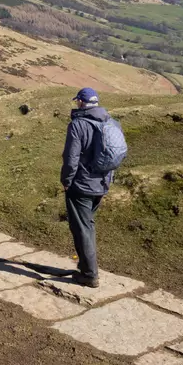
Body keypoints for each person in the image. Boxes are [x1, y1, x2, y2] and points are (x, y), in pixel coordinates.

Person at [61, 88, 125, 288]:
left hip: (81, 185)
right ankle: (86, 266)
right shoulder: (111, 122)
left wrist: (66, 180)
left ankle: (89, 274)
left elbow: (71, 158)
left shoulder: (78, 125)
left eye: (77, 101)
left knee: (82, 229)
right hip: (101, 183)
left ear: (80, 102)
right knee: (87, 225)